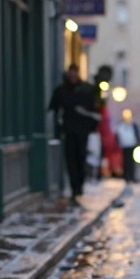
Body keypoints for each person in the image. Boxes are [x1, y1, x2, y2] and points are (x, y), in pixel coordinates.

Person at [47, 64, 101, 204]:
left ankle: (79, 185)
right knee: (71, 159)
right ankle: (74, 187)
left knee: (80, 158)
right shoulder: (62, 91)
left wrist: (90, 127)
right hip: (69, 131)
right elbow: (54, 108)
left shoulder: (86, 90)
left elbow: (95, 111)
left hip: (82, 131)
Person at [115, 109, 140, 183]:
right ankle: (126, 177)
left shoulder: (133, 125)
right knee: (126, 162)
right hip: (124, 146)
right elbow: (118, 135)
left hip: (132, 145)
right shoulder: (121, 125)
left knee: (132, 162)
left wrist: (137, 142)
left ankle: (132, 176)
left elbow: (136, 134)